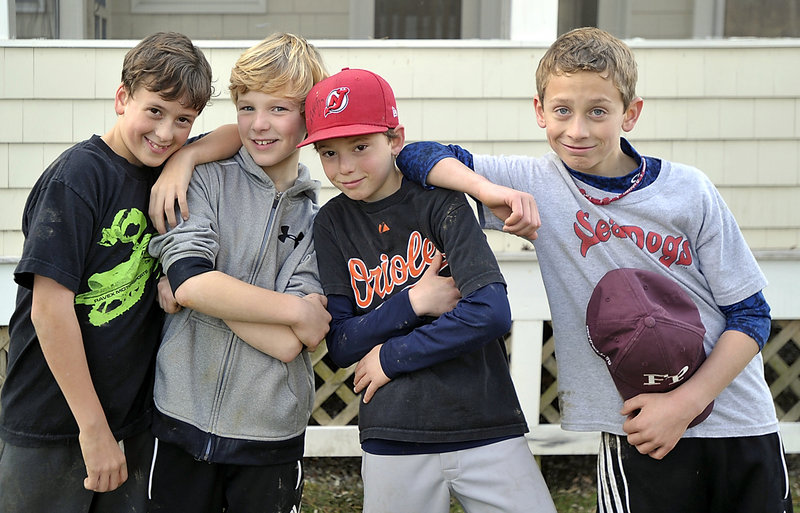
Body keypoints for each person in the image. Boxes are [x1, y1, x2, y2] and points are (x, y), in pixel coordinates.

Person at [396, 26, 792, 513]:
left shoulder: (689, 190)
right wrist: (487, 191)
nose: (577, 130)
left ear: (631, 112)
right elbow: (415, 156)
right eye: (562, 110)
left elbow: (750, 314)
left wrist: (686, 403)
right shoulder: (533, 183)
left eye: (598, 112)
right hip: (639, 426)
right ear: (539, 111)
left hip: (738, 419)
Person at [302, 67, 557, 513]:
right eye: (328, 152)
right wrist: (413, 301)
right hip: (393, 431)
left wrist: (390, 354)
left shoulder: (440, 200)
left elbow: (489, 312)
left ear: (395, 138)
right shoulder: (331, 223)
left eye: (361, 147)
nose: (344, 167)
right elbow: (341, 344)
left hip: (483, 420)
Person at [0, 32, 213, 513]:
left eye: (184, 121)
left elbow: (240, 135)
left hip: (129, 420)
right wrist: (92, 430)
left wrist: (189, 155)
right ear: (123, 98)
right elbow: (49, 310)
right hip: (55, 423)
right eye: (155, 111)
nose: (166, 132)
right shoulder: (78, 177)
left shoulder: (164, 169)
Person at [145, 32, 331, 513]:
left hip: (269, 432)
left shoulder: (320, 223)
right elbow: (189, 276)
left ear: (310, 116)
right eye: (246, 107)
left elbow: (288, 344)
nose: (259, 124)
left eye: (279, 109)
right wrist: (290, 309)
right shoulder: (202, 180)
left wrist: (201, 292)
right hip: (179, 417)